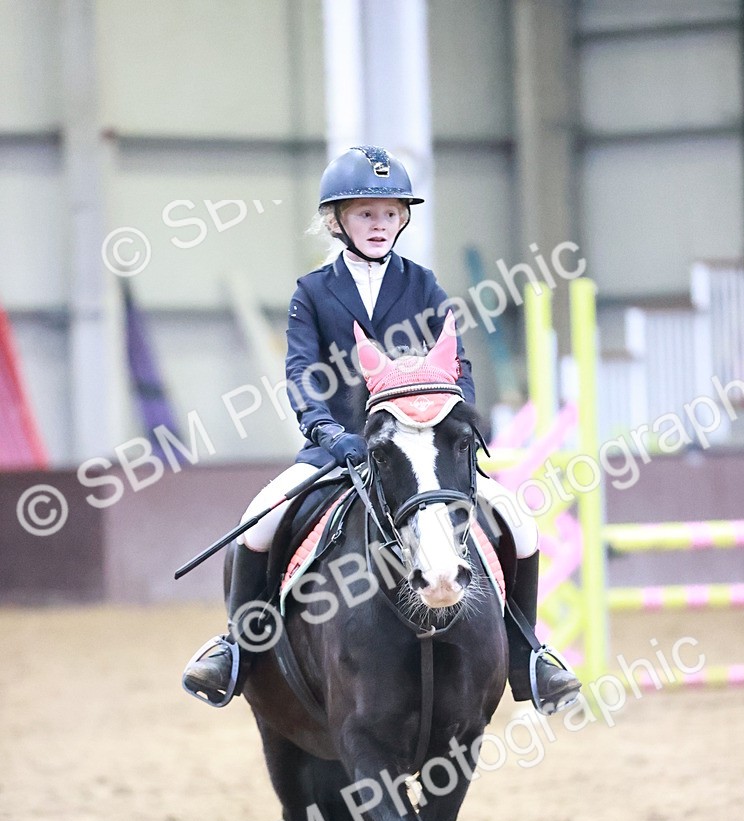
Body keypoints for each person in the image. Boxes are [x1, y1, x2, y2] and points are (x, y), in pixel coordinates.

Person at [183, 146, 581, 714]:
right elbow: (300, 375)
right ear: (337, 220)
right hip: (339, 449)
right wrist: (329, 433)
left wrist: (452, 428)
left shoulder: (423, 285)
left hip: (421, 452)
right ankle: (238, 649)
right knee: (261, 519)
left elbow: (459, 365)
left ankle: (528, 654)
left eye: (391, 213)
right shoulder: (312, 292)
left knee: (521, 526)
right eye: (366, 214)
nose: (380, 224)